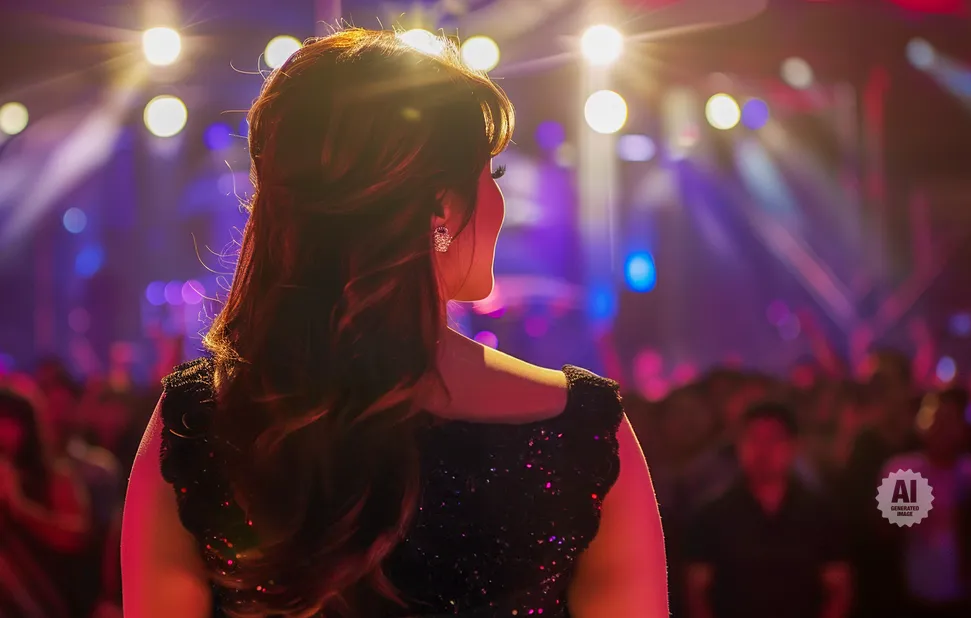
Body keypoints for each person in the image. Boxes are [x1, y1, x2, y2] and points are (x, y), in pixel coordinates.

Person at [121, 28, 668, 618]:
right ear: (441, 206)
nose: (499, 202)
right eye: (492, 176)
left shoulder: (200, 421)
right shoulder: (581, 429)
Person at [684, 402, 851, 618]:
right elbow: (697, 593)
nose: (763, 450)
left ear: (794, 446)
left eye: (773, 439)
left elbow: (838, 589)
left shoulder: (820, 513)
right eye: (753, 439)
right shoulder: (712, 515)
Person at [883, 388, 971, 617]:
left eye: (950, 421)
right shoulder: (906, 472)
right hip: (915, 596)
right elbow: (890, 532)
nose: (942, 429)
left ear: (963, 429)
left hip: (969, 598)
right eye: (936, 419)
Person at [0, 387, 91, 617]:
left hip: (48, 599)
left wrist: (20, 507)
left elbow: (75, 536)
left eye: (8, 420)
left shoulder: (56, 476)